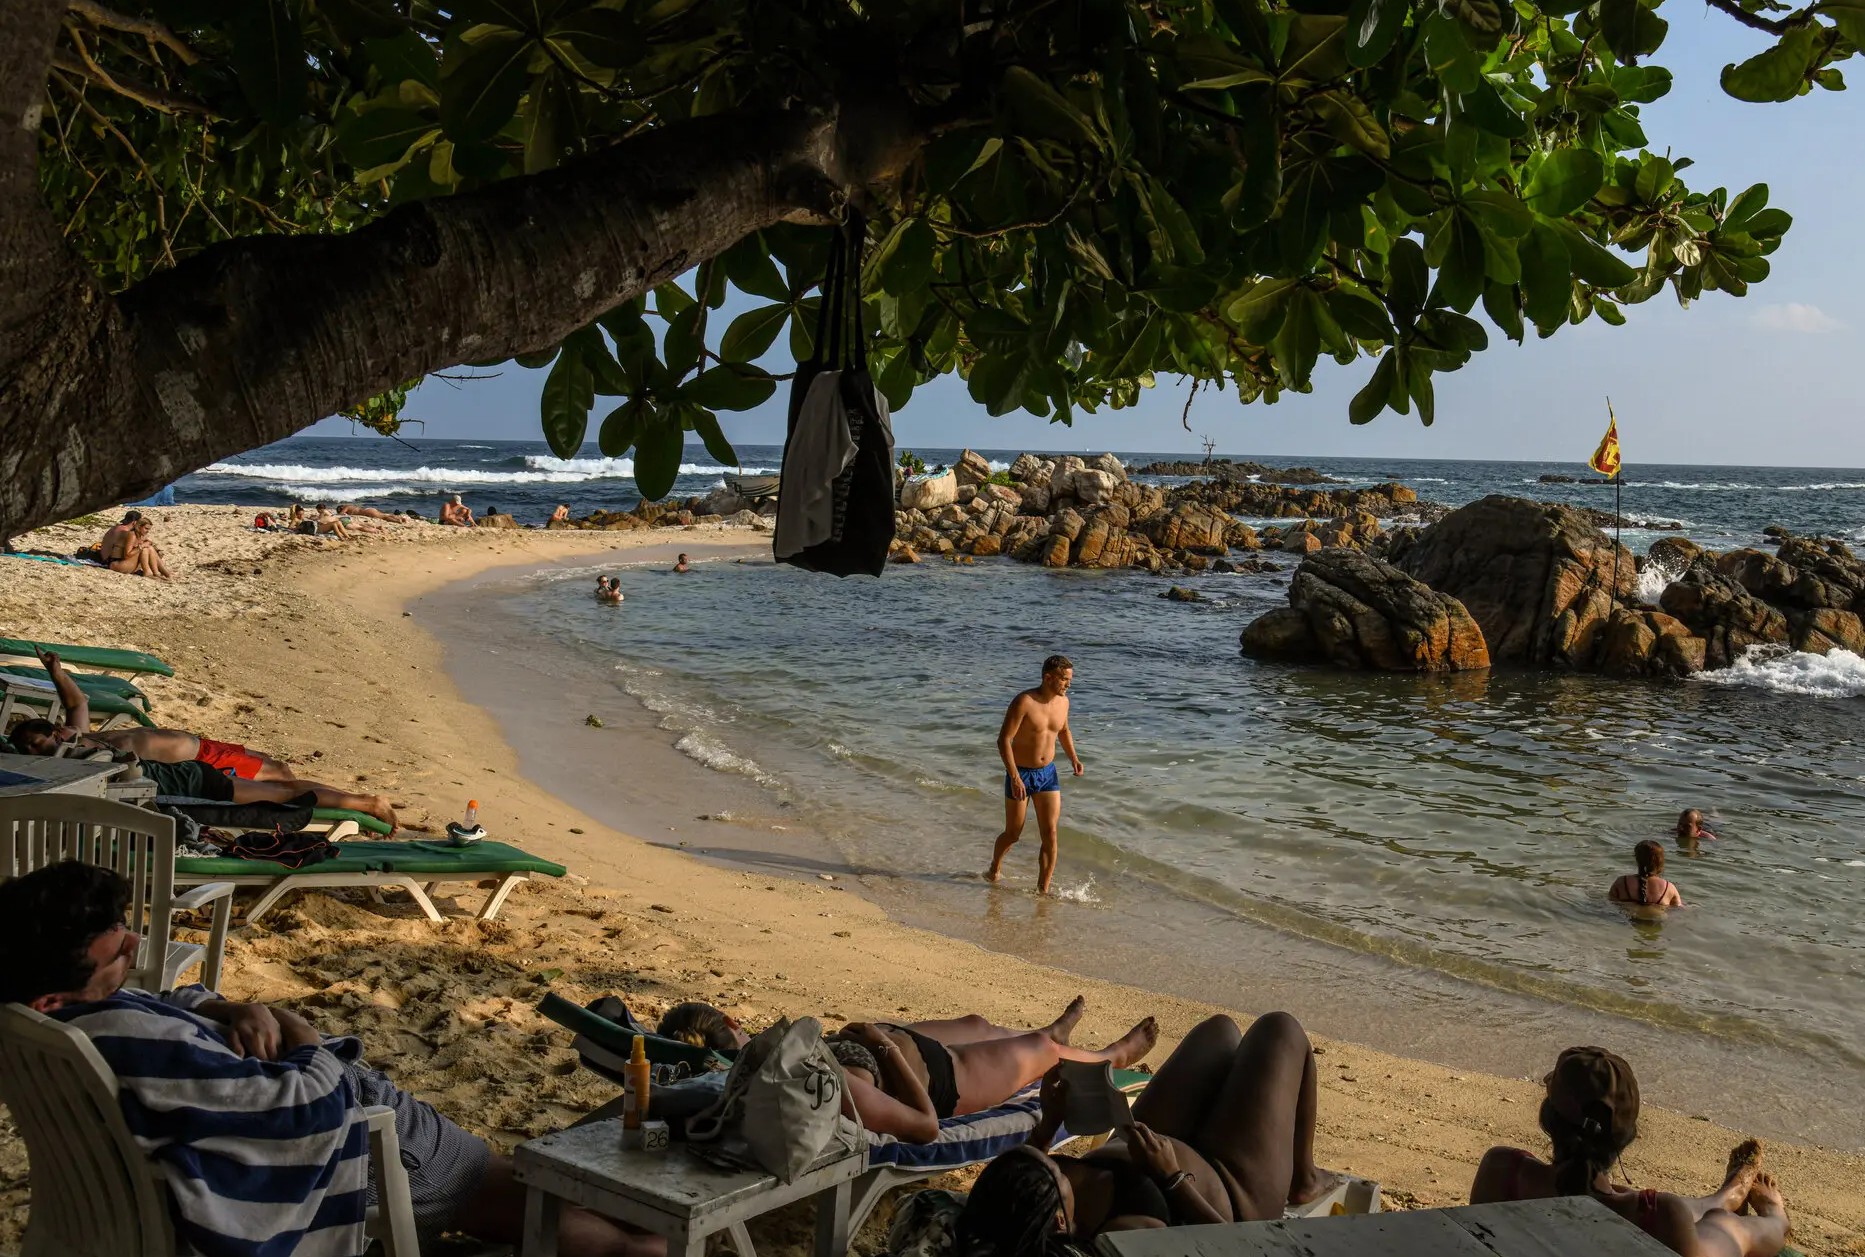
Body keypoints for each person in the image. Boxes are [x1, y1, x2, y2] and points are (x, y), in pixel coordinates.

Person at [0, 862, 659, 1257]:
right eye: (118, 952)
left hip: (241, 1139)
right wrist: (302, 1031)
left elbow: (166, 1001)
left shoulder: (50, 1016)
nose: (138, 945)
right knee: (523, 1195)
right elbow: (301, 1104)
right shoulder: (129, 1033)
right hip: (349, 1141)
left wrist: (220, 1009)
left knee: (518, 1178)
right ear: (58, 990)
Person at [955, 1012, 1333, 1250]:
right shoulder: (1120, 1233)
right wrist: (1170, 1178)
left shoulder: (1020, 1199)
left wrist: (1050, 1123)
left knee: (1218, 1031)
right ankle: (1304, 1178)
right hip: (1231, 1188)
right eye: (1054, 1167)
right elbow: (1233, 1245)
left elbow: (1026, 1166)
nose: (1054, 1161)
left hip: (1150, 1143)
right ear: (1059, 1220)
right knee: (1280, 1030)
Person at [659, 998, 1158, 1142]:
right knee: (1040, 1051)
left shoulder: (768, 1060)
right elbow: (925, 1127)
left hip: (901, 1045)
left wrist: (880, 1039)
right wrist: (884, 1047)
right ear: (731, 1021)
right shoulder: (817, 1085)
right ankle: (1111, 1057)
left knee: (977, 1022)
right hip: (946, 1081)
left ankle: (1057, 1035)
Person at [10, 650, 398, 829]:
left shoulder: (83, 735)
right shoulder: (78, 755)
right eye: (32, 747)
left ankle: (343, 804)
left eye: (39, 735)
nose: (38, 744)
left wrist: (56, 670)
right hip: (192, 769)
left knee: (279, 776)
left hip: (200, 752)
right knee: (281, 787)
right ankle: (356, 804)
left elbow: (76, 701)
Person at [1470, 1046, 1788, 1257]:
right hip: (1653, 1220)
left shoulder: (1502, 1170)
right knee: (1725, 1227)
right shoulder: (1656, 1214)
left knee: (1678, 1206)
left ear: (1547, 1119)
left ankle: (1725, 1196)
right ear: (1628, 1137)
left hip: (1614, 1206)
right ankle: (1773, 1216)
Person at [987, 654, 1084, 895]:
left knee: (1050, 833)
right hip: (1020, 773)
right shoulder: (1024, 702)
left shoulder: (1064, 702)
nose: (1068, 684)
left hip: (1047, 774)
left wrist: (1074, 757)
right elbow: (1004, 740)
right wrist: (1015, 777)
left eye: (1069, 679)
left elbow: (1063, 731)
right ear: (1048, 677)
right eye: (1063, 679)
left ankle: (1043, 890)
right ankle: (994, 868)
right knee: (1013, 834)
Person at [1609, 840, 1682, 908]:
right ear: (1660, 861)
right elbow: (1678, 909)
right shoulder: (1669, 887)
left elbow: (1610, 903)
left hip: (1627, 920)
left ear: (1637, 859)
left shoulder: (1622, 882)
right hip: (1657, 920)